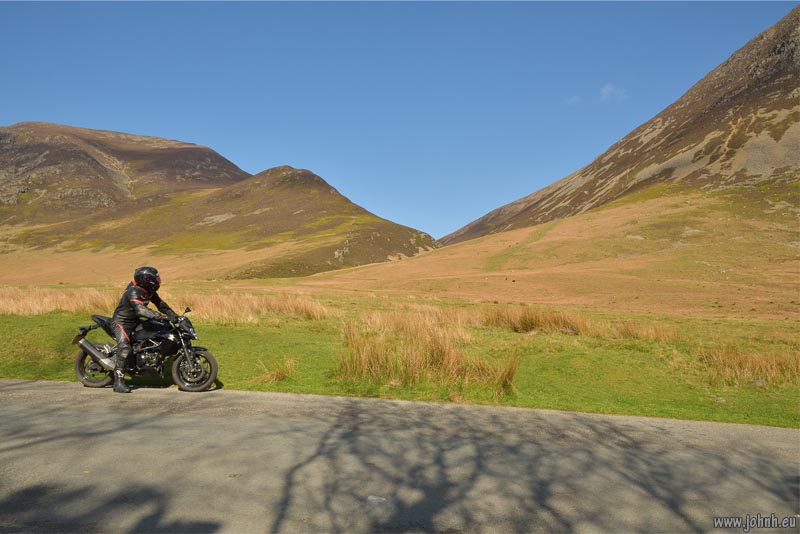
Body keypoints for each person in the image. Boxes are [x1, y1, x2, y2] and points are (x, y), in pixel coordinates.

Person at [110, 266, 178, 393]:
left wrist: (174, 316)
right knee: (125, 348)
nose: (157, 281)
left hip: (134, 321)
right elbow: (140, 310)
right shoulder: (134, 291)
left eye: (157, 278)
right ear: (145, 280)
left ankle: (146, 362)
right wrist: (160, 316)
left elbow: (160, 304)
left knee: (154, 333)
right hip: (121, 323)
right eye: (154, 279)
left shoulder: (148, 290)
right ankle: (118, 382)